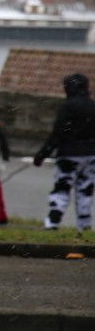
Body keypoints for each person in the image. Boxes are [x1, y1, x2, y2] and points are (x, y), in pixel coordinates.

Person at [34, 73, 95, 231]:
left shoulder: (68, 107)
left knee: (62, 188)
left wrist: (43, 154)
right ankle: (84, 224)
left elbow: (58, 133)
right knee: (85, 190)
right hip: (90, 154)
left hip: (69, 154)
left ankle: (53, 222)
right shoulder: (92, 106)